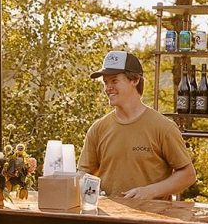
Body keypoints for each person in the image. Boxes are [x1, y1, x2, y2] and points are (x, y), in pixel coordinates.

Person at [77, 51, 197, 199]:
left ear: (134, 80)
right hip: (107, 219)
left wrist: (150, 191)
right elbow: (83, 173)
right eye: (105, 82)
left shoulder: (163, 127)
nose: (108, 87)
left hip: (153, 219)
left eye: (114, 81)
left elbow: (188, 175)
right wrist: (90, 191)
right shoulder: (98, 128)